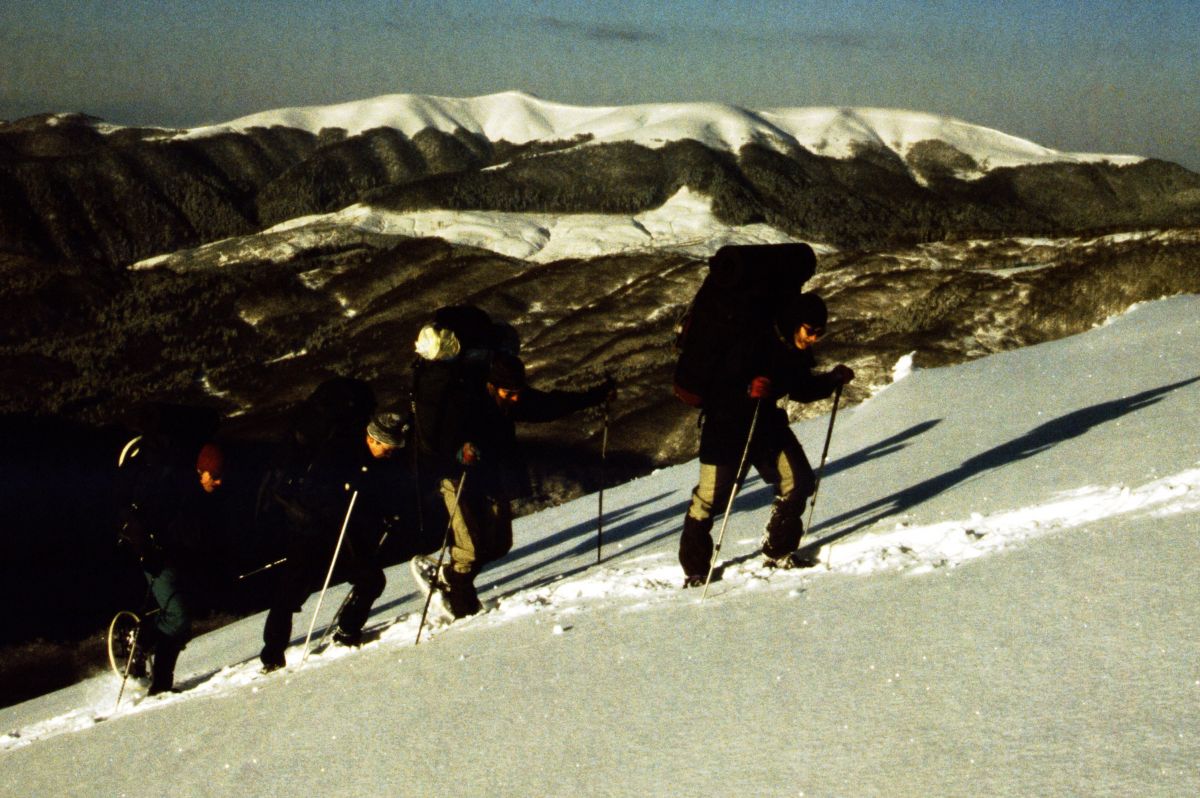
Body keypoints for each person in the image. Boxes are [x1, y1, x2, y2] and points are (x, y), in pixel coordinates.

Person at [411, 318, 613, 620]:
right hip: (455, 474)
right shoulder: (463, 399)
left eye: (518, 392)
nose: (515, 398)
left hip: (490, 475)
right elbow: (438, 436)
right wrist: (459, 452)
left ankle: (450, 575)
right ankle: (464, 607)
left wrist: (595, 396)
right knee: (469, 548)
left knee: (499, 544)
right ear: (492, 386)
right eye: (509, 394)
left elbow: (549, 405)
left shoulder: (507, 394)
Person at [678, 291, 854, 587]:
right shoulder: (753, 342)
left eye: (820, 333)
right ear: (796, 323)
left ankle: (779, 549)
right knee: (709, 499)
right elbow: (715, 386)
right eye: (810, 331)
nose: (813, 339)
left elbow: (801, 388)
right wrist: (746, 389)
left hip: (765, 426)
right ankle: (695, 570)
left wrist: (832, 380)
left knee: (798, 481)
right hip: (725, 427)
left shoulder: (793, 351)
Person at [257, 405, 412, 670]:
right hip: (310, 529)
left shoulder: (377, 461)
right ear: (373, 439)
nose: (390, 453)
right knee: (291, 593)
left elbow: (374, 496)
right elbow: (318, 490)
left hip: (343, 532)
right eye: (387, 447)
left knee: (371, 579)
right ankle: (272, 655)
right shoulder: (339, 451)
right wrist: (340, 495)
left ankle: (348, 631)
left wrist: (386, 513)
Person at [118, 442, 228, 694]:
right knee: (177, 618)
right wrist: (147, 551)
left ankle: (156, 675)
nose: (220, 482)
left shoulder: (195, 491)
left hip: (173, 559)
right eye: (217, 476)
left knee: (181, 621)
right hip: (155, 557)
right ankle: (142, 647)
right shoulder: (173, 489)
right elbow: (142, 521)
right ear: (204, 471)